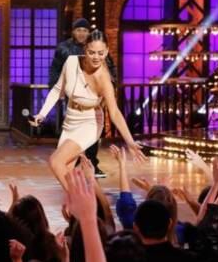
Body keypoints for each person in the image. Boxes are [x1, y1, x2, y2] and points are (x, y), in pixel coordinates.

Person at [31, 30, 145, 189]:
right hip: (70, 119)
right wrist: (42, 113)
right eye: (91, 52)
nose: (96, 57)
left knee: (56, 161)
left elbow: (114, 112)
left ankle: (81, 199)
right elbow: (57, 90)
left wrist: (130, 142)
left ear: (106, 51)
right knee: (66, 173)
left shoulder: (104, 79)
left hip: (90, 122)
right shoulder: (71, 62)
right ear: (85, 49)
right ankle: (82, 202)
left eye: (100, 53)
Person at [48, 18, 117, 178]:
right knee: (72, 130)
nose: (81, 33)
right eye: (78, 30)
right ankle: (69, 162)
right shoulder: (64, 49)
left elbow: (110, 68)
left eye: (85, 31)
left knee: (93, 130)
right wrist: (56, 91)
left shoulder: (95, 48)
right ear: (73, 31)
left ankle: (92, 164)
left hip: (93, 95)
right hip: (73, 95)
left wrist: (110, 87)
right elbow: (55, 70)